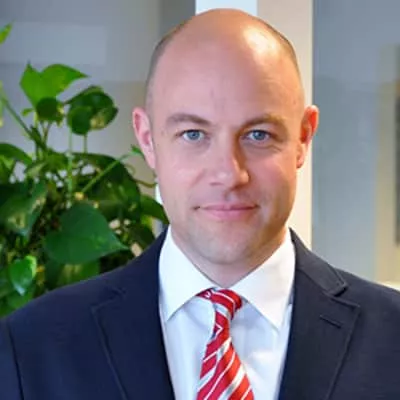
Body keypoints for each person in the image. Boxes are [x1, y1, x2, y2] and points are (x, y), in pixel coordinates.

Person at [1, 8, 400, 400]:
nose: (228, 173)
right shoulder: (31, 348)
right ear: (148, 139)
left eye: (258, 135)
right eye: (193, 134)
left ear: (303, 138)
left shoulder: (391, 337)